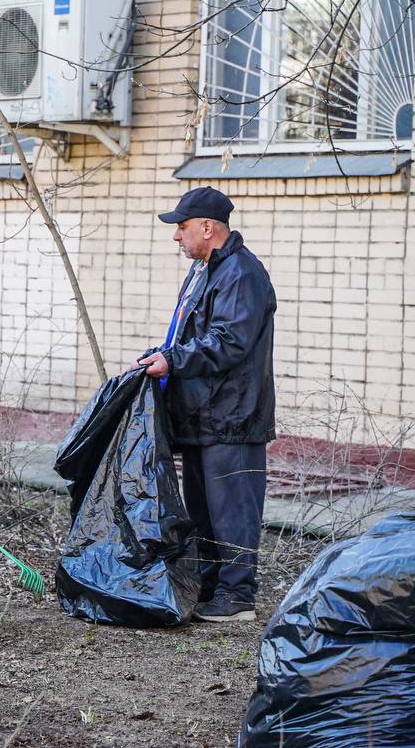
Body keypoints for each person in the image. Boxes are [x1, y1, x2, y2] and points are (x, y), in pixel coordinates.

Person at [133, 186, 275, 623]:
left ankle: (237, 597)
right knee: (204, 511)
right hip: (201, 415)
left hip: (231, 417)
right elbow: (187, 335)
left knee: (232, 510)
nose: (177, 236)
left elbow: (229, 342)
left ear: (207, 228)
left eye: (182, 227)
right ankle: (214, 588)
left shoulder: (241, 274)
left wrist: (172, 360)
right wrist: (161, 356)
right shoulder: (206, 270)